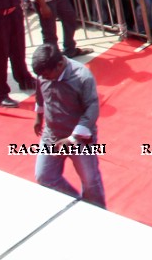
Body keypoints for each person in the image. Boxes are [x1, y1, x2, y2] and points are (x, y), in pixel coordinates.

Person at [30, 43, 106, 208]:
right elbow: (39, 95)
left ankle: (99, 214)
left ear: (59, 65)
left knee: (90, 182)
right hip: (51, 136)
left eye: (47, 75)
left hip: (79, 140)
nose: (44, 78)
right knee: (44, 177)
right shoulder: (43, 74)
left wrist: (72, 138)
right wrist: (39, 116)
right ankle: (78, 205)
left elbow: (92, 110)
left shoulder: (82, 77)